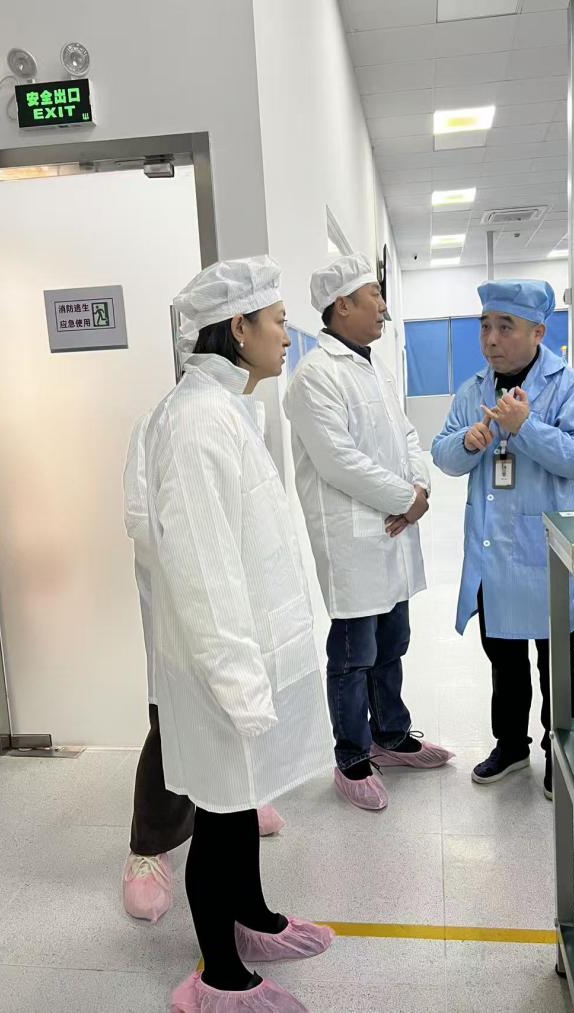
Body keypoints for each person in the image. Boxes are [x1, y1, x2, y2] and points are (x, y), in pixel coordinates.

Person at [142, 255, 334, 1013]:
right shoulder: (195, 421)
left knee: (242, 800)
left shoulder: (226, 408)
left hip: (246, 654)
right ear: (239, 326)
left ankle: (251, 918)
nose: (288, 334)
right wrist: (240, 683)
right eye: (279, 320)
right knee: (220, 815)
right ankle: (218, 976)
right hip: (219, 665)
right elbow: (203, 571)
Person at [283, 253, 453, 813]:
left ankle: (391, 736)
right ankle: (352, 757)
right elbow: (339, 461)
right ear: (342, 305)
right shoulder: (314, 376)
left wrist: (420, 488)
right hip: (354, 537)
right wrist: (406, 499)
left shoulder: (374, 367)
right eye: (373, 295)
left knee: (392, 642)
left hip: (392, 530)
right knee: (354, 653)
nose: (382, 306)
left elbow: (407, 435)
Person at [431, 279, 574, 800]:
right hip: (495, 554)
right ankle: (510, 745)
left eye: (505, 327)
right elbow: (442, 454)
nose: (491, 339)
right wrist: (468, 443)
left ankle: (562, 754)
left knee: (556, 665)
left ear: (537, 333)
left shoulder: (566, 386)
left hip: (546, 551)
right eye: (485, 326)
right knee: (503, 661)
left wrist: (525, 427)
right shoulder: (473, 390)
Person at [121, 413, 286, 926]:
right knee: (172, 724)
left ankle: (237, 801)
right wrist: (207, 561)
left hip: (240, 600)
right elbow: (143, 521)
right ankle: (149, 843)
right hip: (186, 600)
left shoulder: (244, 415)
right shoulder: (166, 422)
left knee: (237, 713)